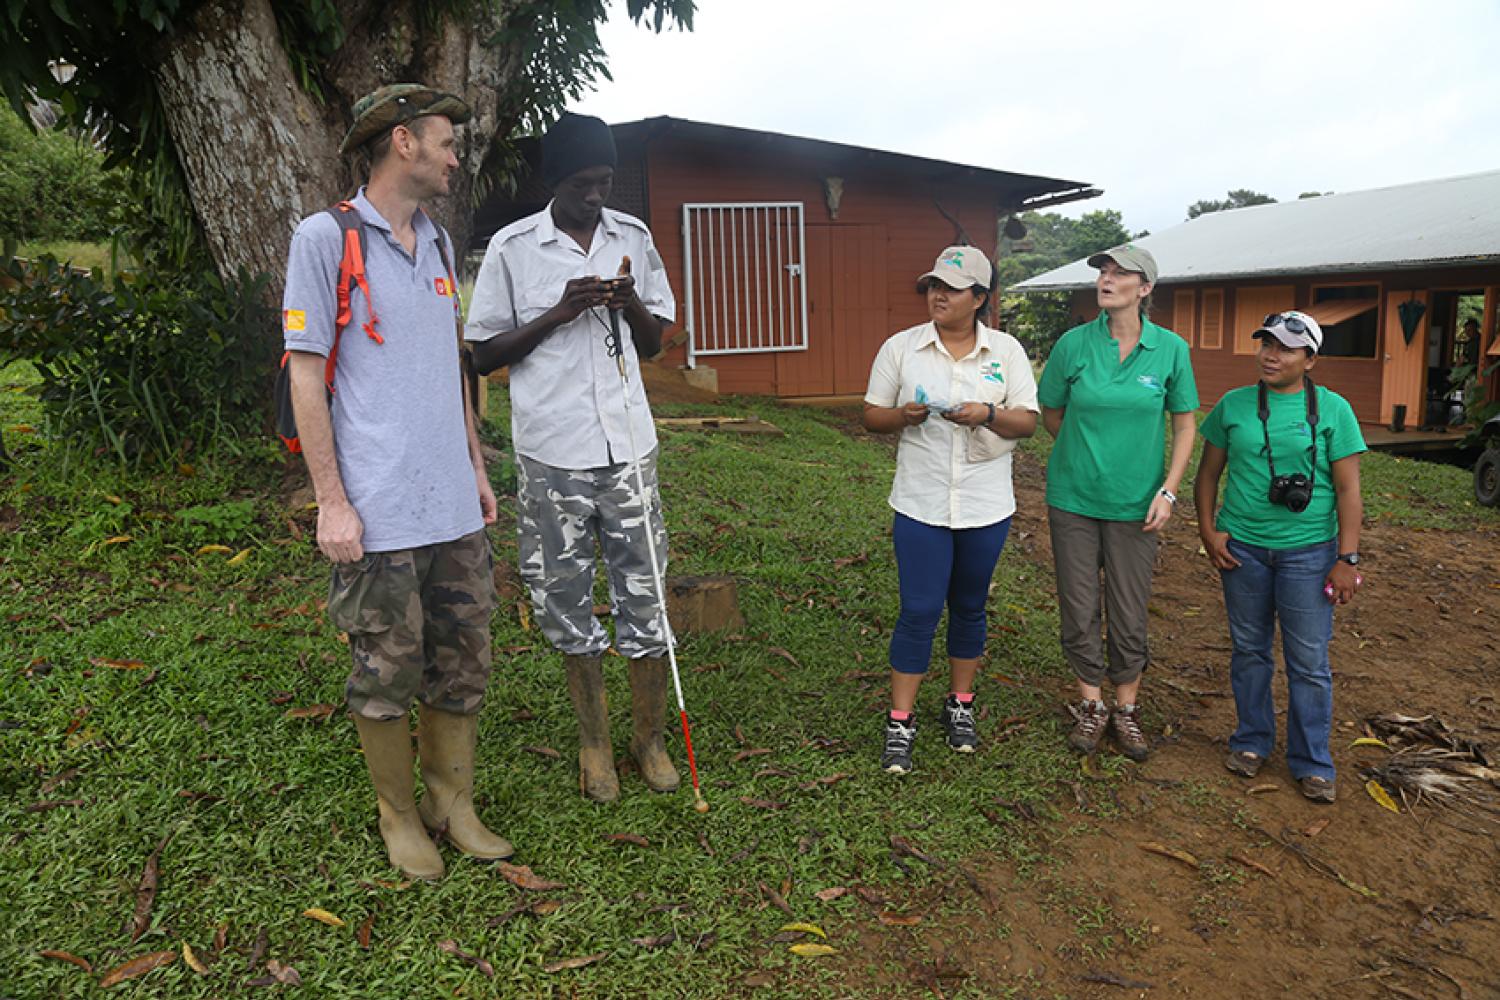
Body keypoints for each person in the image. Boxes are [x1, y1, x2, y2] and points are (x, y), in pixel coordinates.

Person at [282, 84, 509, 880]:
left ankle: (455, 802)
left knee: (464, 657)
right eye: (446, 141)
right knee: (386, 670)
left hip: (452, 507)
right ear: (403, 142)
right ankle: (400, 816)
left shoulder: (441, 245)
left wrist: (477, 469)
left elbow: (451, 368)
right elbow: (306, 377)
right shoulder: (325, 237)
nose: (456, 156)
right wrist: (332, 503)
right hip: (377, 512)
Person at [466, 113, 679, 803]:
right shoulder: (512, 248)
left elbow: (655, 344)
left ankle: (648, 738)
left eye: (605, 182)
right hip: (552, 451)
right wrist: (558, 313)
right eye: (584, 183)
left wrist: (629, 307)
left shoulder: (634, 238)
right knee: (564, 596)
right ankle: (594, 741)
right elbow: (482, 355)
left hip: (627, 447)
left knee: (644, 589)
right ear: (554, 179)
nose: (596, 195)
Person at [862, 246, 1039, 774]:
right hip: (921, 501)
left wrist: (987, 413)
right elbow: (871, 415)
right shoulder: (903, 347)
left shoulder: (1006, 352)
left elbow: (1026, 423)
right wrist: (903, 416)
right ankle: (901, 719)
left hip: (985, 504)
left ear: (979, 298)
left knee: (968, 607)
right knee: (918, 610)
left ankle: (959, 704)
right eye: (933, 285)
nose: (937, 294)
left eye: (951, 287)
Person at [1195, 311, 1365, 803]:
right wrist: (1209, 530)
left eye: (1287, 348)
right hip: (1243, 548)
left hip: (1310, 553)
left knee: (1308, 660)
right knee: (1249, 651)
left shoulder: (1333, 410)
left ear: (1310, 360)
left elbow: (1349, 488)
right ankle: (1251, 741)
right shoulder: (1233, 405)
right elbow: (1208, 474)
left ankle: (1313, 761)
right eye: (1266, 344)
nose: (1272, 355)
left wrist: (1347, 558)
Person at [1037, 245, 1198, 761]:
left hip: (1137, 504)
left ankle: (1125, 709)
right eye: (1102, 272)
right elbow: (1052, 412)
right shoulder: (1073, 345)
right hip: (1074, 498)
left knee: (1129, 609)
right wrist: (1085, 455)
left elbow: (1185, 422)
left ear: (1144, 289)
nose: (1106, 280)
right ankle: (1091, 703)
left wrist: (1168, 489)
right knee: (1079, 604)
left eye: (1119, 273)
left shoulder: (1170, 349)